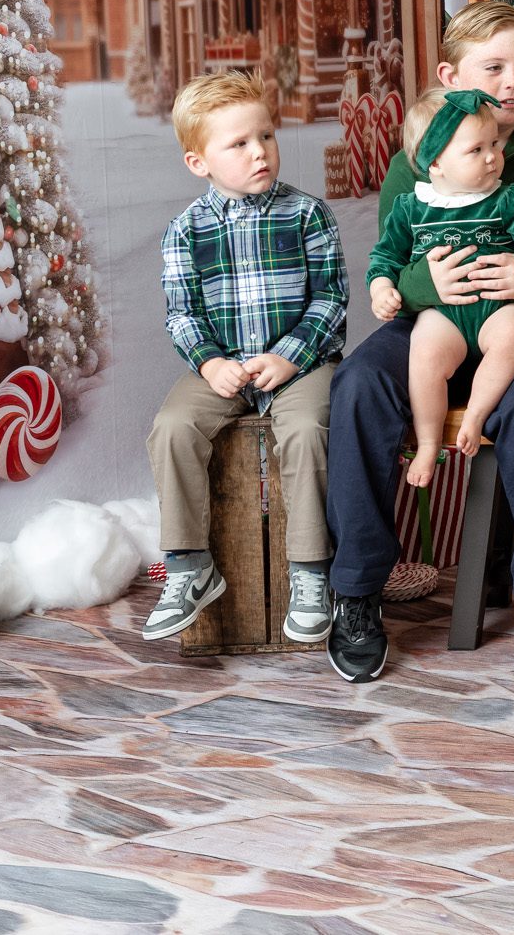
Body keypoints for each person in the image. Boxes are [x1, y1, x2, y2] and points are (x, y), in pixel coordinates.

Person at [327, 2, 514, 686]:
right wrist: (423, 282)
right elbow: (391, 260)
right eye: (495, 67)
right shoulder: (413, 163)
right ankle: (357, 588)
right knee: (359, 384)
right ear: (449, 76)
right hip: (434, 323)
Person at [144, 71, 345, 644]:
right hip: (223, 367)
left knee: (306, 429)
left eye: (267, 137)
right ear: (198, 162)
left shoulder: (308, 215)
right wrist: (209, 364)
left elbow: (330, 297)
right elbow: (181, 314)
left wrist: (288, 357)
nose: (260, 152)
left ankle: (310, 570)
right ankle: (189, 566)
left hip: (299, 364)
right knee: (173, 427)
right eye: (239, 144)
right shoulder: (185, 232)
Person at [367, 86, 514, 483]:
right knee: (423, 354)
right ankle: (427, 444)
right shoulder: (412, 206)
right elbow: (385, 256)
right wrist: (381, 289)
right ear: (436, 163)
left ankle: (475, 415)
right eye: (476, 151)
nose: (494, 156)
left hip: (499, 306)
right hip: (443, 314)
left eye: (494, 143)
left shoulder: (508, 199)